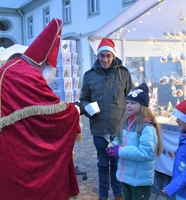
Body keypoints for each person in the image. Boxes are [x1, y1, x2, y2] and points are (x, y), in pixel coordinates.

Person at [0, 18, 83, 200]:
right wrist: (75, 111)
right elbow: (54, 113)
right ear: (44, 64)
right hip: (13, 157)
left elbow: (29, 116)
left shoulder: (7, 69)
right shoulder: (27, 75)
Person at [80, 37, 134, 200]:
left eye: (108, 56)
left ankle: (118, 193)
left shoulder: (123, 73)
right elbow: (84, 98)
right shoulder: (89, 76)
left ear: (113, 56)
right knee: (103, 164)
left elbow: (131, 96)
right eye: (102, 56)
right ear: (97, 56)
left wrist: (131, 117)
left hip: (118, 127)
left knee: (117, 162)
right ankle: (103, 194)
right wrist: (89, 109)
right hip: (99, 127)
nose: (105, 59)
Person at [106, 83, 162, 200]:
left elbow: (146, 153)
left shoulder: (147, 128)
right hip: (127, 177)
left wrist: (120, 151)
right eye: (127, 103)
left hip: (140, 181)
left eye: (133, 103)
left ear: (143, 105)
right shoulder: (127, 122)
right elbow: (120, 139)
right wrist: (114, 145)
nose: (128, 106)